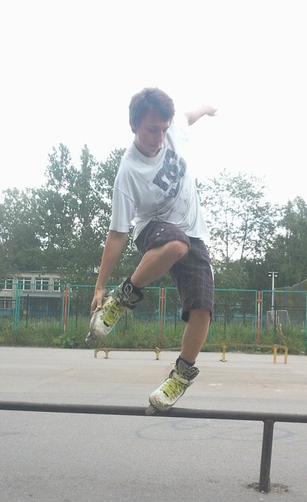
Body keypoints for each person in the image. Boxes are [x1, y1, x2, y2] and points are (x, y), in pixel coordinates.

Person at [88, 87, 216, 413]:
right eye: (151, 130)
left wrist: (205, 108)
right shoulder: (128, 172)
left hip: (194, 233)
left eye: (163, 129)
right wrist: (101, 286)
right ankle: (122, 298)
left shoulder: (172, 130)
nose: (159, 138)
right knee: (175, 244)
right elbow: (117, 233)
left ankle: (180, 377)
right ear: (134, 126)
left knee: (203, 307)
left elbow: (187, 117)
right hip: (153, 230)